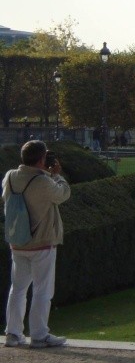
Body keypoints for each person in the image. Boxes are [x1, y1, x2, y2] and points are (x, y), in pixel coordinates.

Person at [3, 141, 70, 349]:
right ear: (42, 159)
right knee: (43, 290)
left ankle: (13, 333)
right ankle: (39, 334)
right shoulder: (43, 181)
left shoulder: (10, 177)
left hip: (18, 241)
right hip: (41, 242)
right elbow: (63, 194)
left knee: (18, 289)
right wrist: (56, 174)